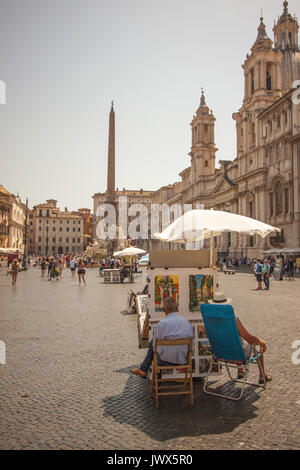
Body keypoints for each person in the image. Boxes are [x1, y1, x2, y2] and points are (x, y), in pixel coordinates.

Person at [209, 291, 271, 383]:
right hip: (237, 354)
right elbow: (249, 338)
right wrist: (263, 342)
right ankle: (263, 376)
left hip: (219, 352)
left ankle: (240, 370)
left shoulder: (210, 320)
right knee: (255, 346)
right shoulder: (233, 320)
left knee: (236, 341)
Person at [131, 296, 193, 378]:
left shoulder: (161, 325)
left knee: (153, 344)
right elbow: (191, 345)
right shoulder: (186, 323)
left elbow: (155, 349)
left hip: (165, 360)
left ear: (164, 309)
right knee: (154, 343)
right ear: (177, 308)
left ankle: (145, 370)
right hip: (183, 360)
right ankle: (143, 369)